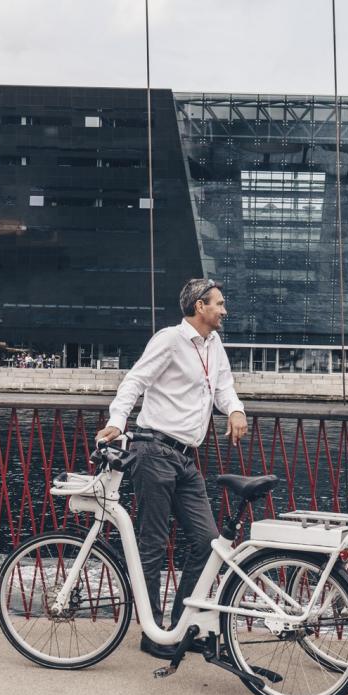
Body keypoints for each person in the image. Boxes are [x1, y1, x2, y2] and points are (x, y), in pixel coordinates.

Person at [95, 277, 248, 659]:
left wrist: (235, 410)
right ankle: (153, 634)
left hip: (184, 456)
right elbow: (135, 381)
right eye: (219, 304)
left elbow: (224, 387)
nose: (224, 310)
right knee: (152, 544)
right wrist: (117, 421)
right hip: (153, 450)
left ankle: (181, 628)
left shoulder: (214, 344)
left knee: (208, 543)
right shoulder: (169, 340)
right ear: (200, 306)